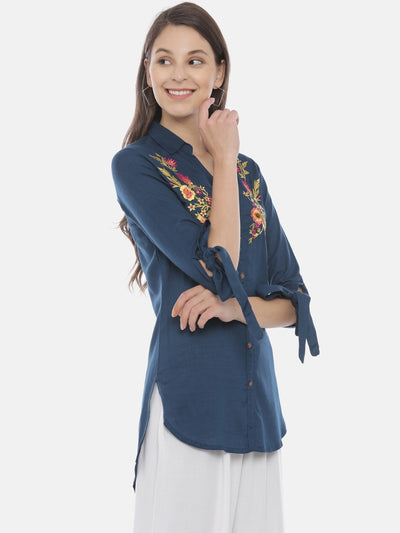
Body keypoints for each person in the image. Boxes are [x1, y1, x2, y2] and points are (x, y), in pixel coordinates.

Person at [111, 2, 320, 531]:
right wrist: (223, 157)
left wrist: (234, 308)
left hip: (256, 406)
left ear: (219, 73)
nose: (178, 75)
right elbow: (217, 265)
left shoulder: (249, 174)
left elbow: (294, 300)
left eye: (196, 60)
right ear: (147, 71)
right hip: (190, 401)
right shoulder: (137, 165)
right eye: (164, 60)